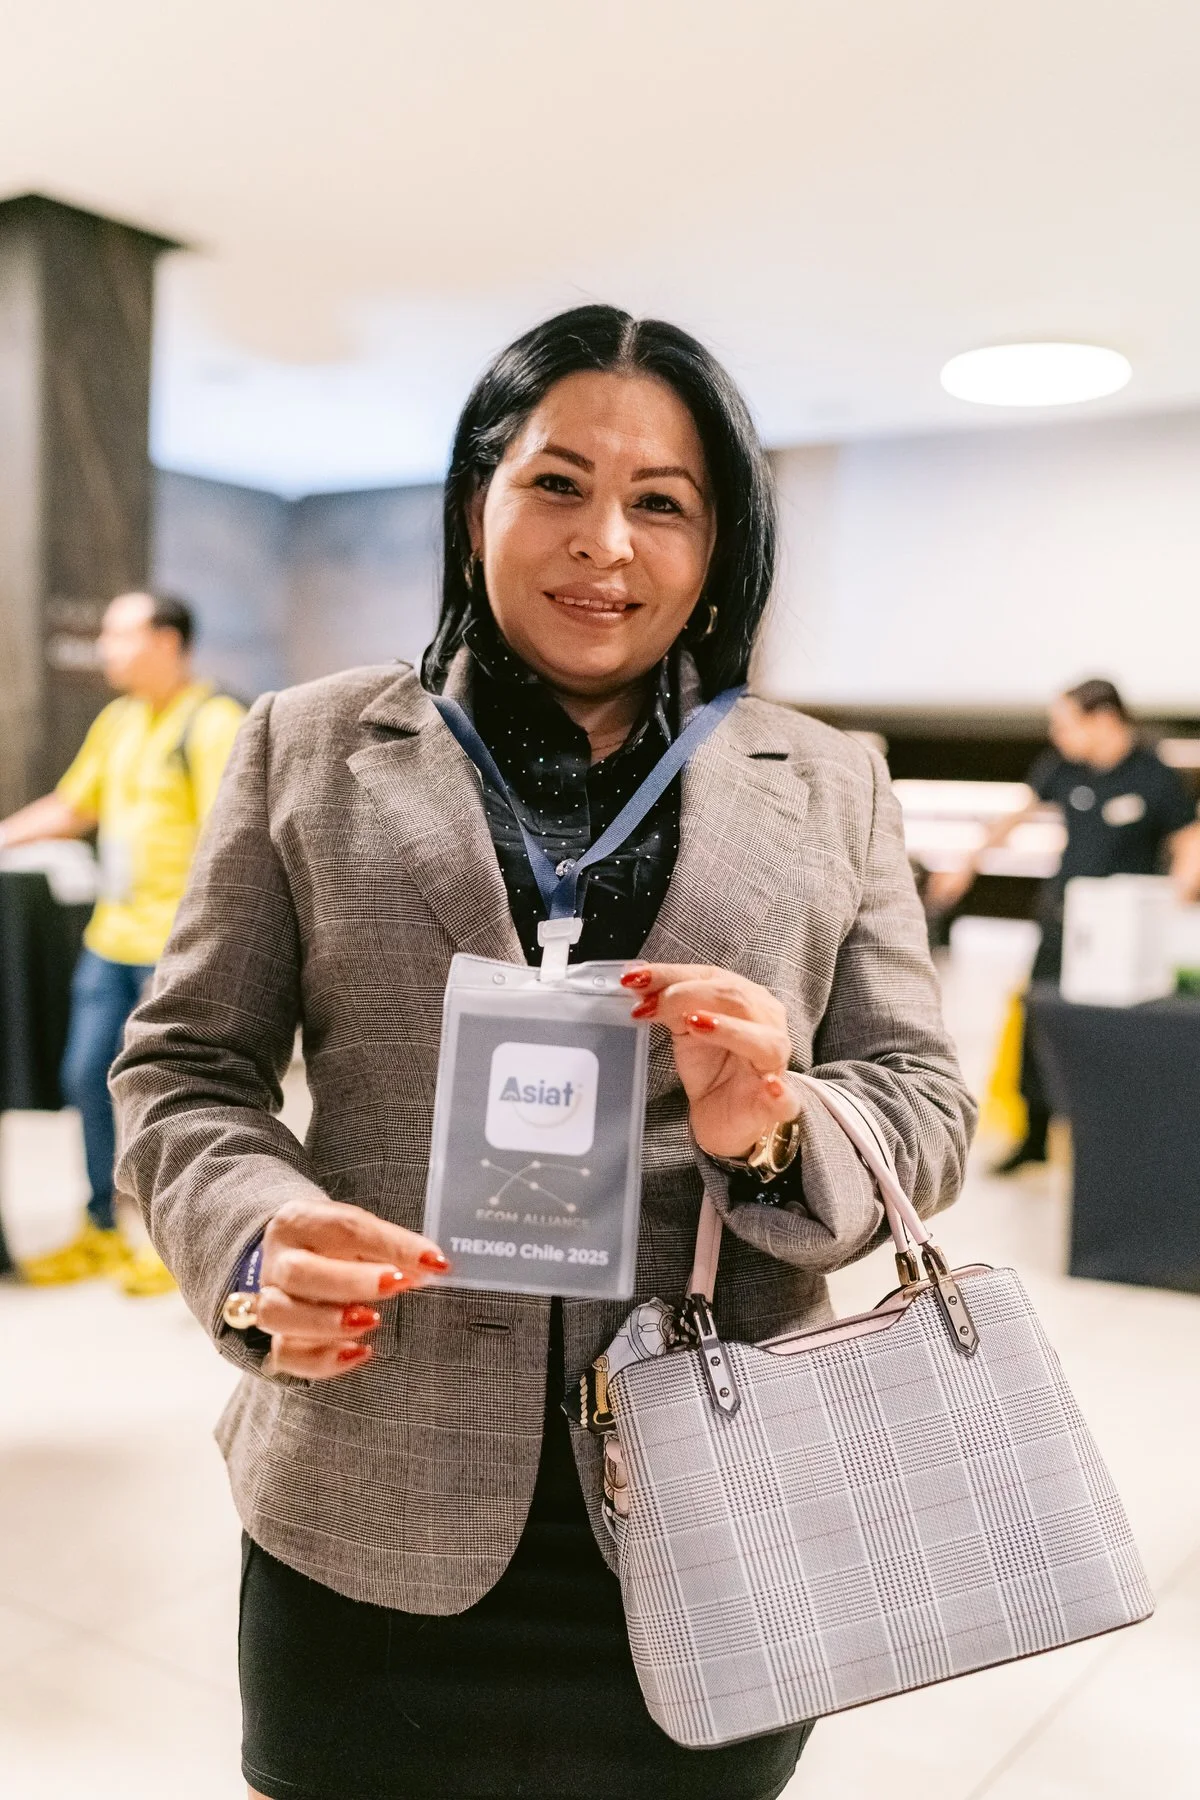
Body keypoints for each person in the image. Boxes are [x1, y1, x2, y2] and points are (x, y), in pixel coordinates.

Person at [110, 306, 975, 1800]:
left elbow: (924, 1100)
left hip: (720, 1503)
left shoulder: (830, 783)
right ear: (476, 500)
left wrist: (776, 1124)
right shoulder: (306, 746)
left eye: (662, 504)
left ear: (721, 546)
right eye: (557, 484)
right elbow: (186, 1067)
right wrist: (252, 1239)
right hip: (367, 1494)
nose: (607, 546)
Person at [0, 592, 245, 1291]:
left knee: (166, 1093)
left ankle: (166, 1240)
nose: (106, 649)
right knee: (86, 1076)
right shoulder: (120, 720)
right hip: (111, 938)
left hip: (175, 946)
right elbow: (75, 806)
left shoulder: (212, 721)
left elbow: (232, 839)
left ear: (168, 641)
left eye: (119, 635)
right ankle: (105, 1227)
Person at [929, 677, 1200, 1171]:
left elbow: (1188, 839)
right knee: (1039, 1021)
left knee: (1109, 1034)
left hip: (1123, 935)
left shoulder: (1153, 774)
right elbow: (1018, 815)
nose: (1058, 734)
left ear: (1103, 718)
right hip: (1062, 922)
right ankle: (1033, 1138)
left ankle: (1110, 1144)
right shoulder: (1063, 768)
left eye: (1066, 723)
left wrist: (1179, 893)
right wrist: (967, 862)